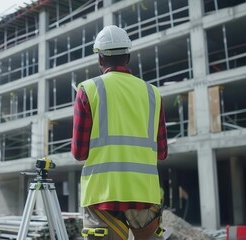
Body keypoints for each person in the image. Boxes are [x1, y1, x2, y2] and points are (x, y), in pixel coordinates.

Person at [71, 25, 168, 240]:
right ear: (128, 56)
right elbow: (161, 152)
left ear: (100, 58)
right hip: (144, 195)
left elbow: (79, 153)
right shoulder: (153, 93)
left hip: (102, 196)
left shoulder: (88, 90)